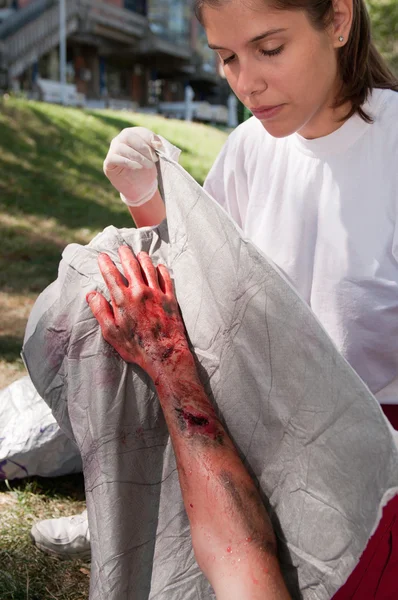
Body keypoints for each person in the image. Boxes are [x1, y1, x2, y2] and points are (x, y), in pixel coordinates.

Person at [31, 0, 398, 595]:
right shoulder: (251, 148)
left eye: (269, 49)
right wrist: (146, 198)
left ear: (337, 20)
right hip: (252, 425)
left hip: (366, 452)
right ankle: (128, 509)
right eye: (226, 57)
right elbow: (202, 285)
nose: (245, 82)